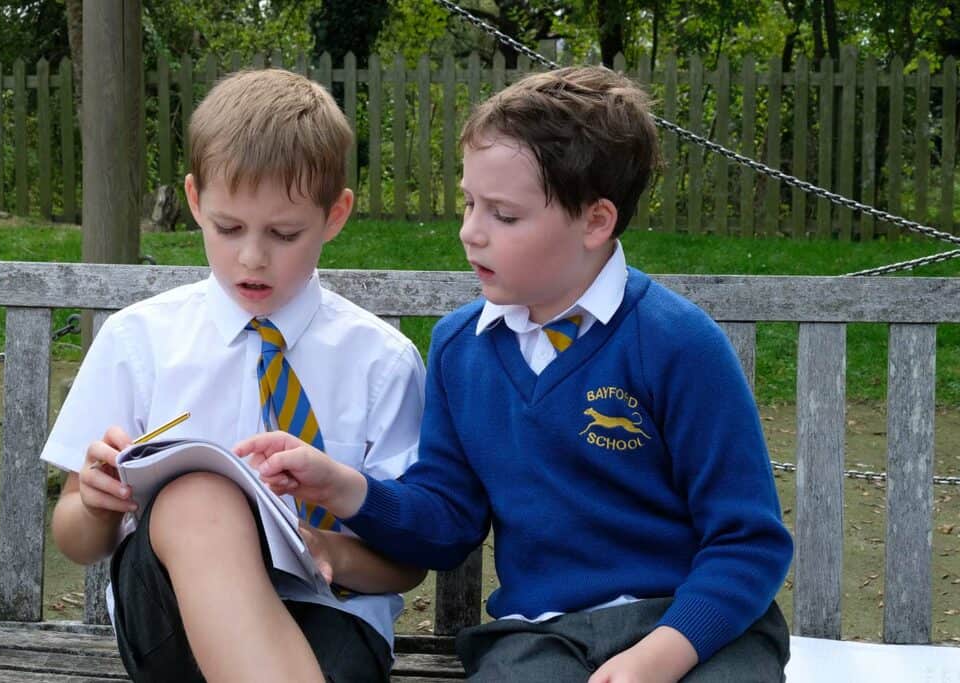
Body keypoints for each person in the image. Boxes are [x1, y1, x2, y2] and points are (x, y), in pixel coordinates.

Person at [234, 65, 794, 682]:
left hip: (692, 628)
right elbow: (446, 524)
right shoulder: (460, 349)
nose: (470, 232)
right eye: (470, 202)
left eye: (503, 215)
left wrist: (663, 653)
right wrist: (345, 488)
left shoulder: (677, 343)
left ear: (595, 222)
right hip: (539, 637)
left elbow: (748, 541)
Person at [42, 68, 427, 683]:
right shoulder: (141, 340)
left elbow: (405, 566)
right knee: (198, 495)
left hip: (330, 613)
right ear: (194, 201)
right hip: (171, 612)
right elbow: (76, 541)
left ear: (335, 215)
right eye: (227, 229)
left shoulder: (381, 363)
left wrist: (323, 550)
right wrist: (94, 501)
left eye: (283, 233)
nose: (252, 257)